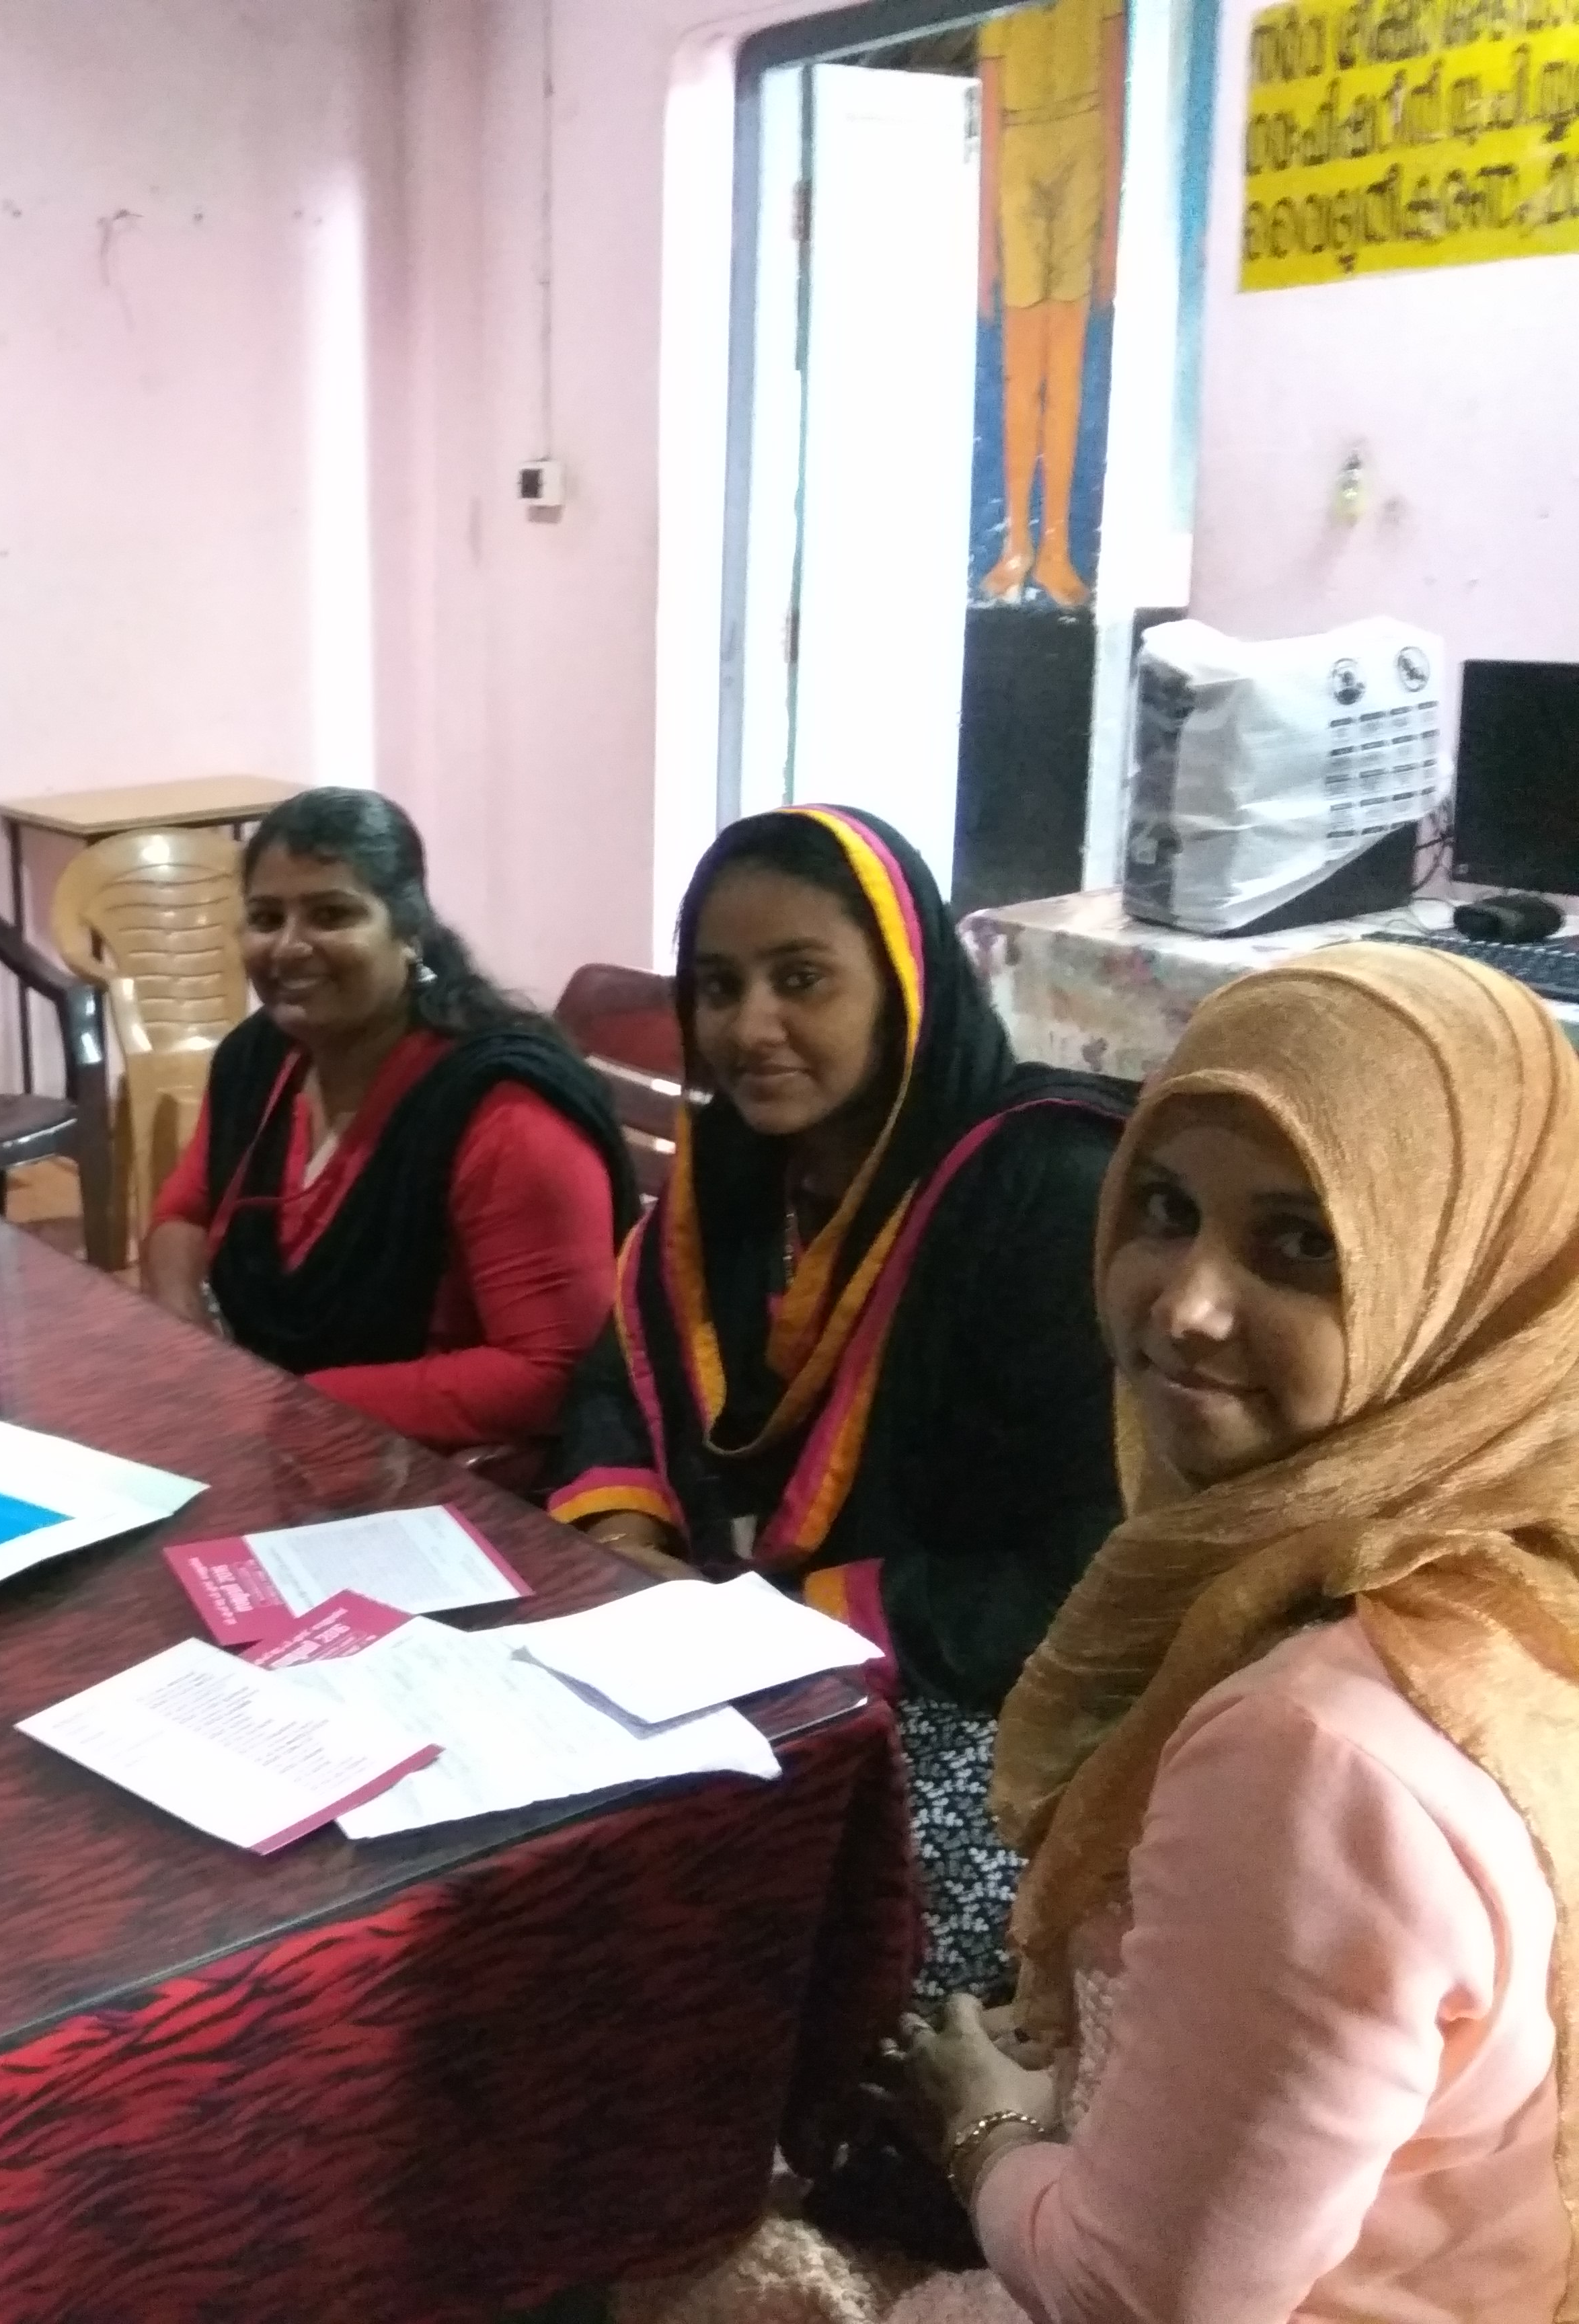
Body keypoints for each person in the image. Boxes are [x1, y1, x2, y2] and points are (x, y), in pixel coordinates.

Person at [876, 943, 1578, 2322]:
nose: (1184, 1307)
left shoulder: (1313, 1751)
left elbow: (1140, 2300)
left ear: (1467, 1273)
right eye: (1165, 1208)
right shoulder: (1515, 1563)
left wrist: (978, 2125)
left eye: (1301, 1242)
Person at [548, 805, 1128, 2002]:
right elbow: (618, 1376)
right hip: (709, 1643)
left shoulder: (1041, 1193)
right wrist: (625, 1540)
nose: (748, 1028)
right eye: (718, 987)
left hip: (965, 1693)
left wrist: (781, 1616)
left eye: (800, 979)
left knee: (715, 1931)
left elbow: (1081, 1575)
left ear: (904, 982)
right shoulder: (737, 1176)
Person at [139, 787, 638, 1453]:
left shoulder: (507, 1116)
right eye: (265, 918)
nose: (287, 947)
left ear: (409, 931)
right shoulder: (261, 1057)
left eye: (331, 915)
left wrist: (289, 1406)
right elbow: (183, 1211)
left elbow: (551, 1371)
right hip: (275, 1439)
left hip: (445, 1473)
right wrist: (192, 1347)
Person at [977, 0, 1125, 608]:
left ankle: (1056, 549)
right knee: (1022, 377)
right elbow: (990, 110)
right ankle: (1016, 543)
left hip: (1083, 143)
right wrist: (983, 247)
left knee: (1065, 376)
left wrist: (1111, 240)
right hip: (1018, 150)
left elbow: (1114, 101)